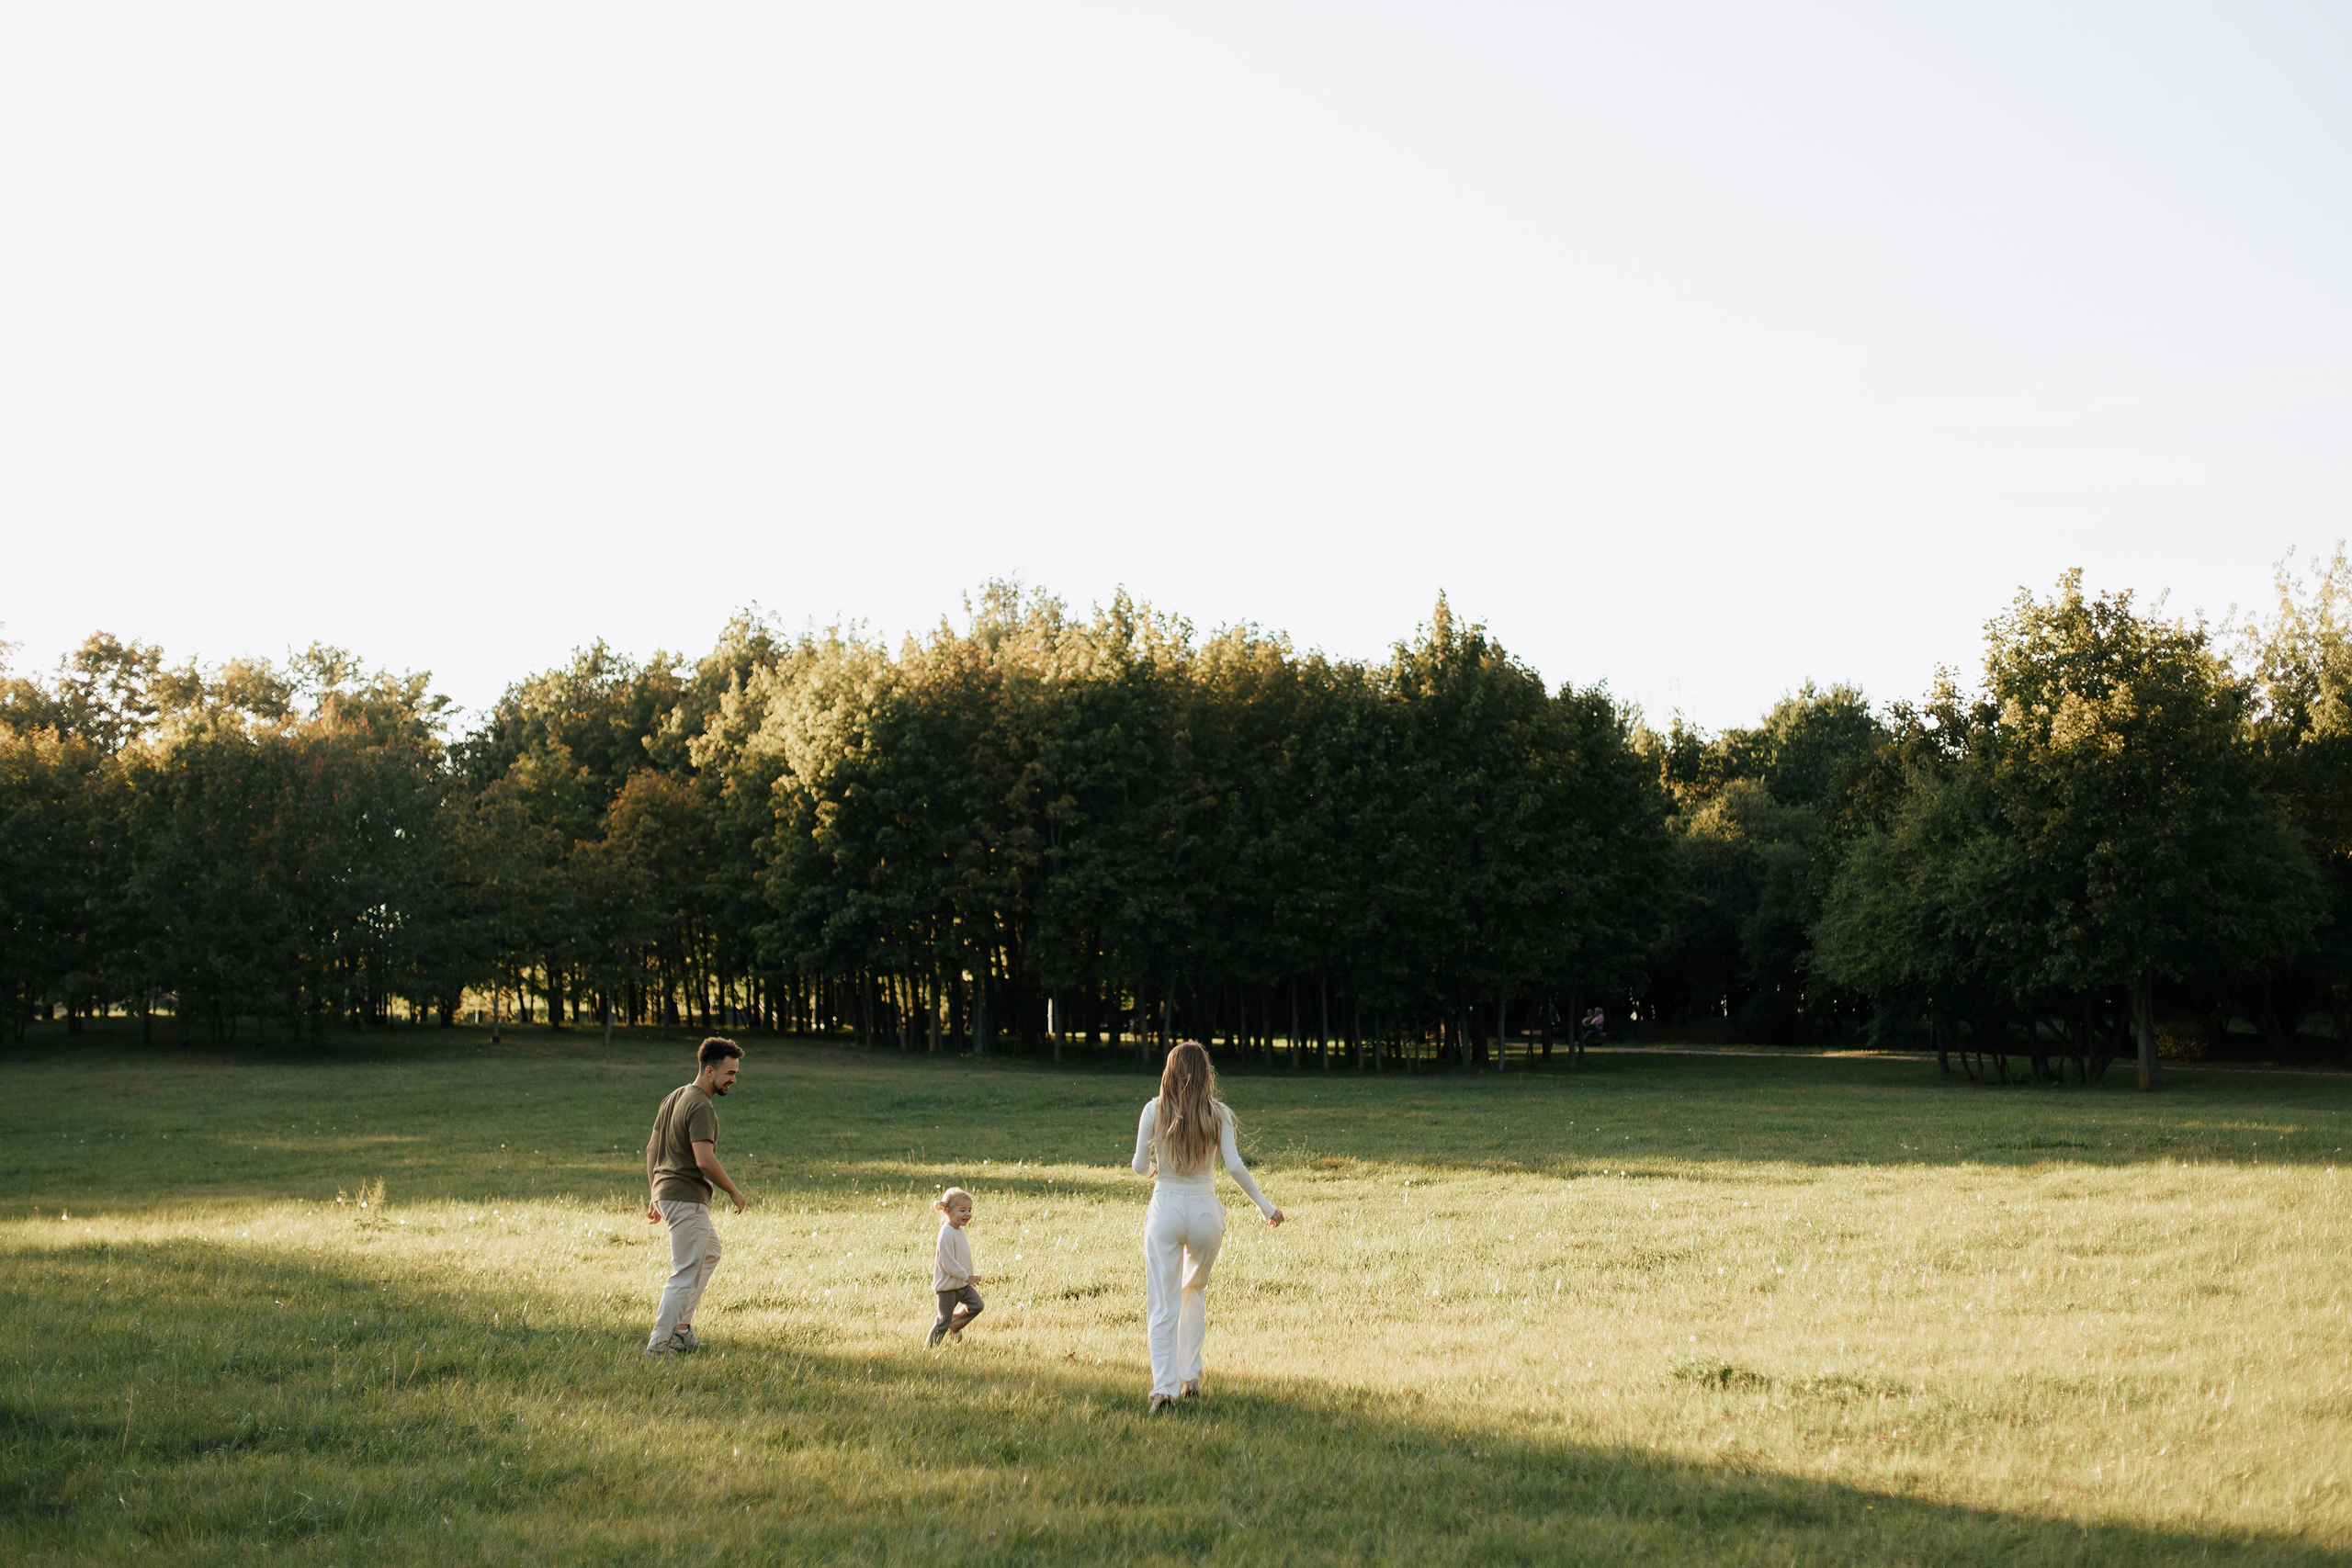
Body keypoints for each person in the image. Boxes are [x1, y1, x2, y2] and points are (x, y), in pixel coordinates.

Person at [1130, 1042, 1283, 1413]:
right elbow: (1233, 1166)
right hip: (1204, 1211)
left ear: (1169, 1071)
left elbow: (1137, 1164)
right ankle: (1191, 1378)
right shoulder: (1218, 1114)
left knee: (1162, 1303)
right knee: (1193, 1291)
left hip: (1165, 1205)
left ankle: (1162, 1389)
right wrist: (1265, 1207)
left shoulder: (1154, 1110)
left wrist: (1155, 1172)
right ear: (1205, 1074)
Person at [643, 1038, 747, 1357]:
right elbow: (704, 1159)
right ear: (709, 1069)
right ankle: (660, 1345)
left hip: (668, 1193)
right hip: (686, 1197)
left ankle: (682, 1328)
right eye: (729, 1073)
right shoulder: (700, 1104)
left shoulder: (674, 1096)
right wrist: (733, 1191)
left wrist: (654, 1192)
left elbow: (652, 1149)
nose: (733, 1080)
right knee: (685, 1271)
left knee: (710, 1252)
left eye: (736, 1074)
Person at [926, 1186, 984, 1347]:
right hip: (947, 1288)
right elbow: (948, 1263)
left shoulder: (959, 1231)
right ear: (948, 1212)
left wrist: (966, 1278)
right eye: (962, 1210)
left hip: (962, 1285)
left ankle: (955, 1325)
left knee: (977, 1305)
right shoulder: (946, 1233)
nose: (967, 1214)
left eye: (970, 1210)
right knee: (943, 1320)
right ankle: (929, 1348)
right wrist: (967, 1276)